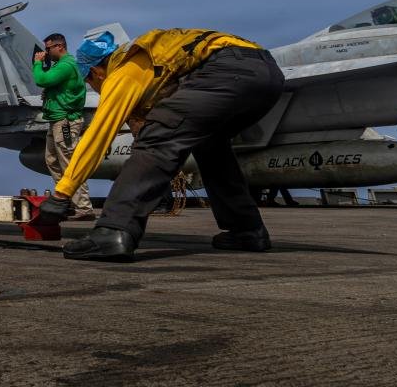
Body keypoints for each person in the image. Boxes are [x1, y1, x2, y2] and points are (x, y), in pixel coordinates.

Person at [40, 28, 285, 261]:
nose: (93, 87)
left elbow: (98, 135)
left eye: (89, 82)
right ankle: (246, 230)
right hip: (268, 75)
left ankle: (114, 231)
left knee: (158, 138)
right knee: (211, 146)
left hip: (227, 71)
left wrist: (62, 194)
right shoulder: (148, 61)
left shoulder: (124, 71)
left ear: (96, 71)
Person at [33, 33, 94, 221]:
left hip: (65, 121)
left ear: (60, 46)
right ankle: (64, 201)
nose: (46, 52)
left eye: (49, 48)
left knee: (69, 164)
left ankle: (84, 208)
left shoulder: (67, 65)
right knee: (52, 161)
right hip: (56, 121)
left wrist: (37, 64)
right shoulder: (61, 66)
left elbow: (42, 80)